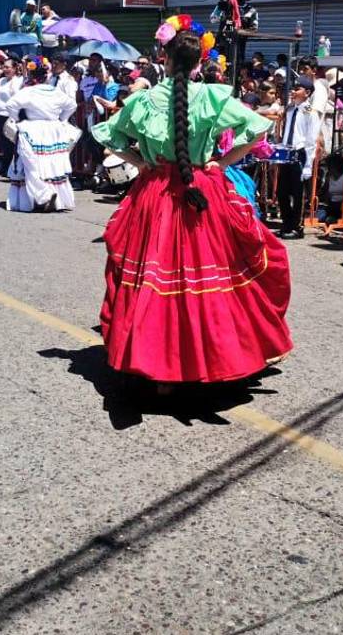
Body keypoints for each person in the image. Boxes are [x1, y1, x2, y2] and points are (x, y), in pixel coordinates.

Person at [92, 27, 292, 387]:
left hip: (154, 192)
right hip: (203, 188)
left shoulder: (142, 101)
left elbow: (109, 135)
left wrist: (139, 163)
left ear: (164, 61)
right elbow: (258, 128)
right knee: (220, 274)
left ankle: (159, 369)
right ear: (200, 63)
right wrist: (225, 161)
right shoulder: (213, 98)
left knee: (154, 278)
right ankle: (221, 356)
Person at [5, 57, 80, 212]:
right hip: (54, 130)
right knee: (52, 163)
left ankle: (38, 197)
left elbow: (11, 104)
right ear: (46, 76)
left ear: (32, 76)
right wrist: (62, 119)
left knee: (31, 164)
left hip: (32, 129)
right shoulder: (56, 92)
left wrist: (18, 118)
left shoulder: (29, 91)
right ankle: (52, 196)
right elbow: (72, 105)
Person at [275, 76, 321, 239]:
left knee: (298, 192)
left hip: (300, 153)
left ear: (307, 92)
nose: (293, 91)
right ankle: (286, 223)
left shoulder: (310, 112)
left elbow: (311, 140)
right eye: (293, 88)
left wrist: (308, 164)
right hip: (287, 152)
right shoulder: (289, 109)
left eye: (297, 89)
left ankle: (297, 226)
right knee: (282, 191)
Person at [0, 59, 23, 176]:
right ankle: (4, 166)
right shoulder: (2, 80)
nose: (5, 70)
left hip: (10, 115)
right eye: (4, 67)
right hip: (0, 113)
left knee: (11, 142)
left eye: (8, 67)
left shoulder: (18, 81)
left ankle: (11, 168)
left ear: (14, 69)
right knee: (3, 143)